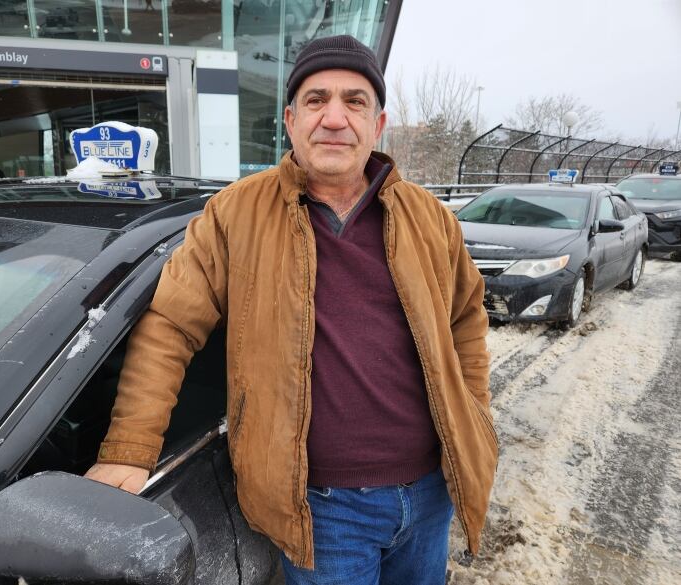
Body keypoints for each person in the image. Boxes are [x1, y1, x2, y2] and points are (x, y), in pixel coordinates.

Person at [86, 35, 497, 584]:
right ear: (290, 120)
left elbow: (466, 322)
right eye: (316, 99)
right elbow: (170, 326)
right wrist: (131, 450)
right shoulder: (236, 213)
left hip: (430, 494)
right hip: (322, 511)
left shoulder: (428, 216)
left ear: (377, 125)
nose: (334, 118)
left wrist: (475, 419)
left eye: (354, 102)